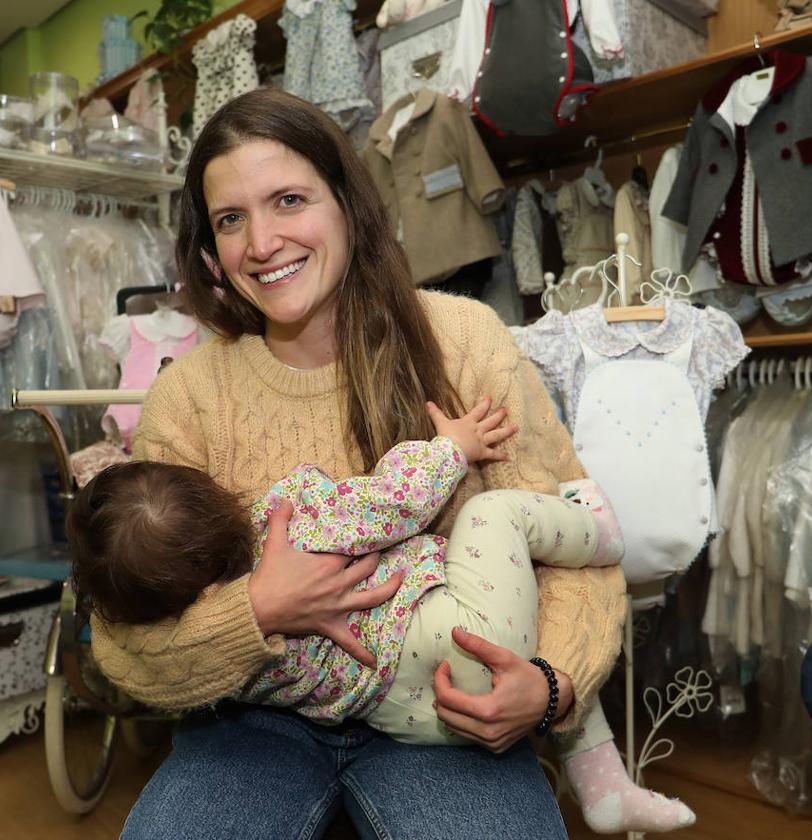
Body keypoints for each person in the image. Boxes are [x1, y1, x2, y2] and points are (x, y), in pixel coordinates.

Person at [90, 88, 690, 837]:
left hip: (449, 708)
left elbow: (573, 553)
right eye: (231, 219)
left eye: (288, 200)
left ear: (347, 201)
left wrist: (549, 684)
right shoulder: (187, 396)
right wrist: (259, 612)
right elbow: (125, 639)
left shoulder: (464, 338)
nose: (263, 242)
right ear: (209, 250)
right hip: (256, 724)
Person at [69, 398, 624, 744]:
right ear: (210, 493)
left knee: (548, 676)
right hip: (468, 642)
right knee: (492, 512)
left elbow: (148, 649)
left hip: (412, 718)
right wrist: (451, 448)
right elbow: (397, 500)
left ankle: (599, 778)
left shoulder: (229, 665)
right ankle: (600, 534)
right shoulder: (292, 524)